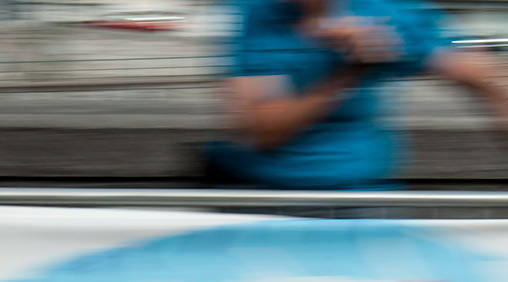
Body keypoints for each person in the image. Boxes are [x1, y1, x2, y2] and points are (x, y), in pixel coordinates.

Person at [205, 0, 508, 191]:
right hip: (264, 194)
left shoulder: (385, 12)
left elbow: (484, 74)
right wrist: (348, 73)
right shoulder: (254, 12)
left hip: (359, 194)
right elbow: (262, 131)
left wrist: (377, 53)